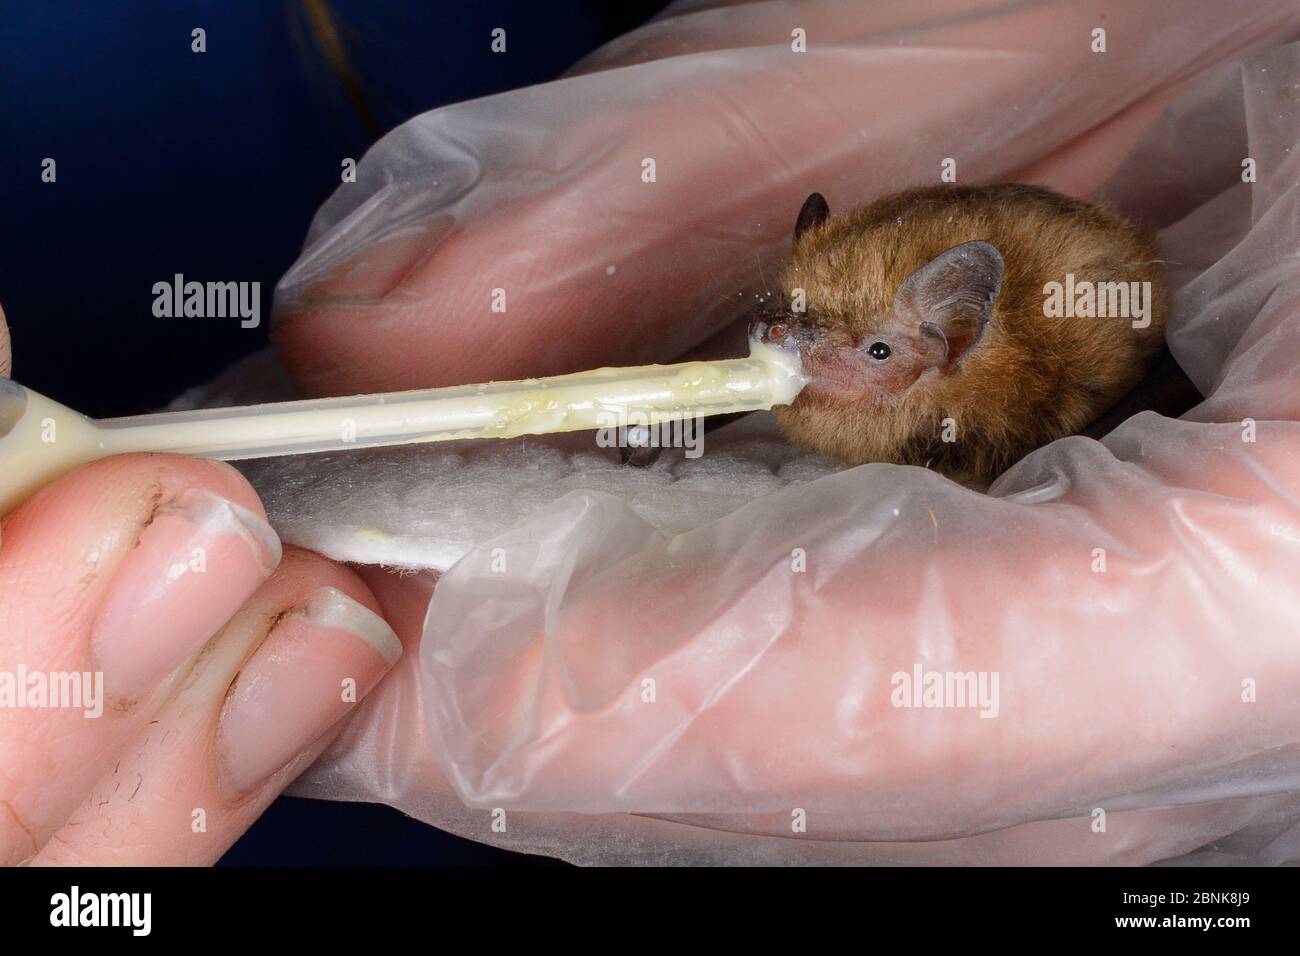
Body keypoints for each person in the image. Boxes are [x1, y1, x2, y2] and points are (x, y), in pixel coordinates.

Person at [4, 0, 1300, 866]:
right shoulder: (822, 344)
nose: (798, 363)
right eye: (792, 326)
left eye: (873, 355)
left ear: (947, 351)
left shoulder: (1012, 370)